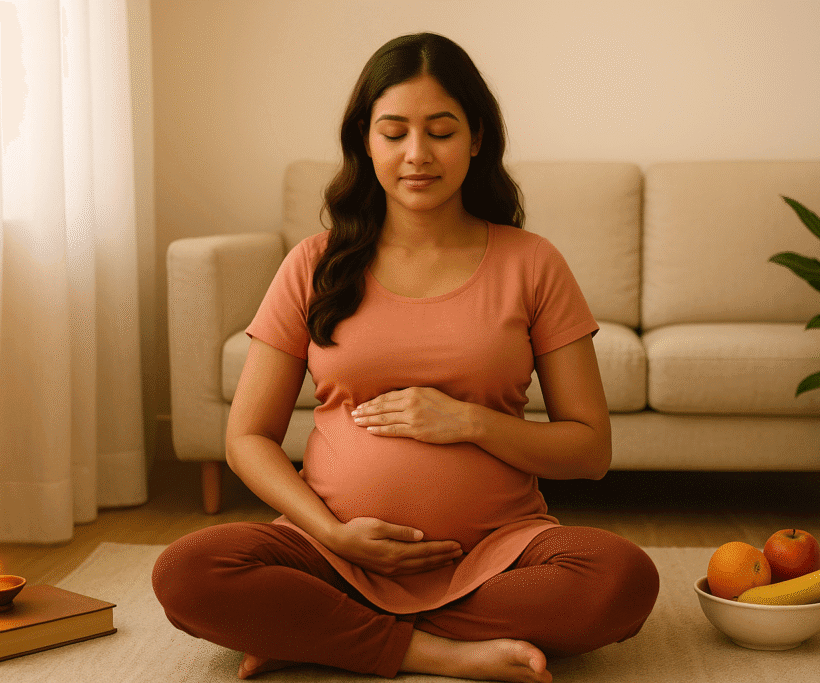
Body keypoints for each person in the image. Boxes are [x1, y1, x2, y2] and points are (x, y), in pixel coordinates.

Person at [152, 32, 659, 683]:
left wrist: (469, 421)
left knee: (621, 579)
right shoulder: (314, 263)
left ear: (476, 138)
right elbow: (247, 437)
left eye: (440, 131)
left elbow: (589, 450)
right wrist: (333, 535)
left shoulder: (532, 262)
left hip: (495, 554)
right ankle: (434, 651)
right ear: (366, 140)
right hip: (330, 551)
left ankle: (321, 630)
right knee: (186, 572)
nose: (417, 154)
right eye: (394, 132)